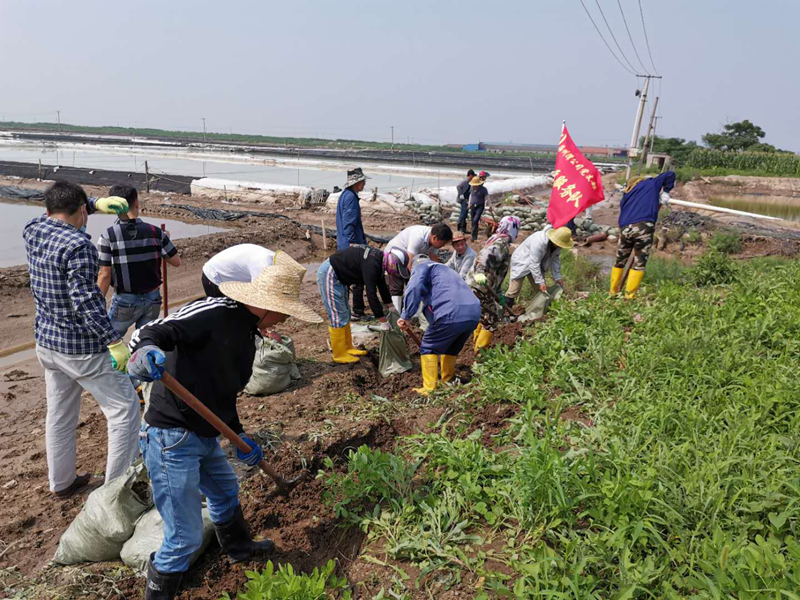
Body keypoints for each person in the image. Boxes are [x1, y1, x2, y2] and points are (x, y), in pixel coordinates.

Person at [127, 263, 322, 600]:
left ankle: (239, 548)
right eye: (285, 310)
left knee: (225, 491)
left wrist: (238, 434)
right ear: (265, 305)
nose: (286, 318)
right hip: (170, 437)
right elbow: (155, 329)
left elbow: (222, 390)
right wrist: (144, 349)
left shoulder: (249, 332)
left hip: (205, 433)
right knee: (184, 537)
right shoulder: (215, 312)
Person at [22, 181, 139, 498]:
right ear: (81, 213)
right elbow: (86, 302)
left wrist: (94, 203)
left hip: (48, 344)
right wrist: (113, 341)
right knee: (124, 411)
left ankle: (61, 483)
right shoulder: (79, 246)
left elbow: (59, 210)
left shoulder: (33, 229)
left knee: (60, 414)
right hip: (81, 349)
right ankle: (116, 494)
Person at [97, 185, 181, 337]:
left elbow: (104, 274)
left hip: (125, 300)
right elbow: (176, 262)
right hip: (153, 299)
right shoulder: (156, 232)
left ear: (112, 206)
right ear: (137, 202)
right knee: (144, 340)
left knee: (109, 341)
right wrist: (164, 239)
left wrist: (96, 304)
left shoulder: (108, 236)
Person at [397, 261, 480, 395]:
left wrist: (406, 315)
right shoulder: (447, 270)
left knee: (429, 346)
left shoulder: (421, 266)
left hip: (451, 312)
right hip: (473, 313)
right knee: (451, 347)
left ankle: (429, 388)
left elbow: (414, 287)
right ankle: (447, 381)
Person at [317, 245, 396, 363]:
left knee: (345, 313)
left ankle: (348, 348)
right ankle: (339, 354)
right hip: (331, 273)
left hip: (341, 277)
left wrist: (390, 305)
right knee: (337, 315)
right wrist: (382, 320)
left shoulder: (379, 260)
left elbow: (382, 285)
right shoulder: (372, 265)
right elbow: (371, 295)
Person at [610, 171, 676, 298]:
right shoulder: (650, 183)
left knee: (620, 261)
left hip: (625, 229)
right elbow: (670, 174)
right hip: (643, 227)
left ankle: (613, 293)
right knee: (639, 263)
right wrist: (666, 192)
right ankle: (629, 296)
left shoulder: (627, 195)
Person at [466, 216, 521, 351]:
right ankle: (480, 352)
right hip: (480, 286)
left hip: (480, 286)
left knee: (484, 317)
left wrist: (499, 295)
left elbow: (496, 274)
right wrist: (480, 272)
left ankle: (475, 344)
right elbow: (485, 256)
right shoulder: (500, 243)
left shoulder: (496, 240)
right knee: (492, 319)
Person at [384, 223, 453, 312]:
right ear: (434, 238)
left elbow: (434, 259)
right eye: (443, 243)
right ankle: (396, 313)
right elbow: (410, 261)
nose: (443, 246)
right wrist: (416, 279)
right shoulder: (418, 237)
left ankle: (412, 310)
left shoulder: (435, 240)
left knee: (417, 283)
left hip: (409, 257)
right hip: (394, 255)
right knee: (399, 284)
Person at [505, 225, 573, 307]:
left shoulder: (557, 246)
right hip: (522, 261)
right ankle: (503, 308)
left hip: (537, 264)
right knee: (514, 290)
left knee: (541, 291)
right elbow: (534, 263)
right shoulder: (539, 241)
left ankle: (538, 310)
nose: (560, 246)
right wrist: (540, 282)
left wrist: (557, 277)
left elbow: (555, 260)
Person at [336, 167, 372, 321]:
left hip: (345, 244)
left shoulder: (346, 195)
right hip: (351, 245)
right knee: (358, 280)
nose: (364, 183)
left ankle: (346, 310)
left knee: (348, 280)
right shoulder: (350, 198)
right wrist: (353, 243)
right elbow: (348, 223)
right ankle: (357, 311)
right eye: (362, 181)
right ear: (356, 182)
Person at [201, 244, 275, 297]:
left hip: (232, 275)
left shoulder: (273, 257)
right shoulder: (263, 265)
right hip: (214, 278)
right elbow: (259, 294)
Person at [469, 176, 489, 242]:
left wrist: (490, 206)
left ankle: (474, 236)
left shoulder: (483, 189)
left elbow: (487, 198)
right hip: (472, 206)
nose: (474, 186)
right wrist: (469, 204)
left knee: (475, 220)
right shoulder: (471, 188)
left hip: (480, 206)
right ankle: (474, 236)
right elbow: (470, 196)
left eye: (475, 185)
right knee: (473, 221)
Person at [456, 169, 475, 233]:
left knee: (465, 214)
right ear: (470, 175)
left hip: (467, 200)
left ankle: (464, 229)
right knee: (463, 213)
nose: (473, 177)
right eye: (473, 176)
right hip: (463, 199)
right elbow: (458, 186)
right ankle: (459, 228)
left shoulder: (470, 182)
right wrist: (461, 194)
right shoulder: (465, 181)